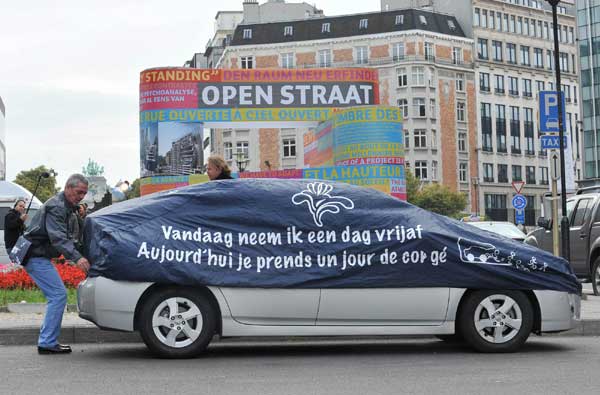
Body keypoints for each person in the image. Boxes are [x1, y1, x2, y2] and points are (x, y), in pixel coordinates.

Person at [24, 174, 91, 355]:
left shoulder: (68, 207)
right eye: (78, 192)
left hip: (39, 255)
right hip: (34, 256)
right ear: (68, 188)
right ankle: (47, 342)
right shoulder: (56, 206)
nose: (81, 196)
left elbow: (73, 236)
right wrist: (78, 258)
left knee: (57, 295)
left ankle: (47, 340)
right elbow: (59, 239)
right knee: (58, 295)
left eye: (84, 193)